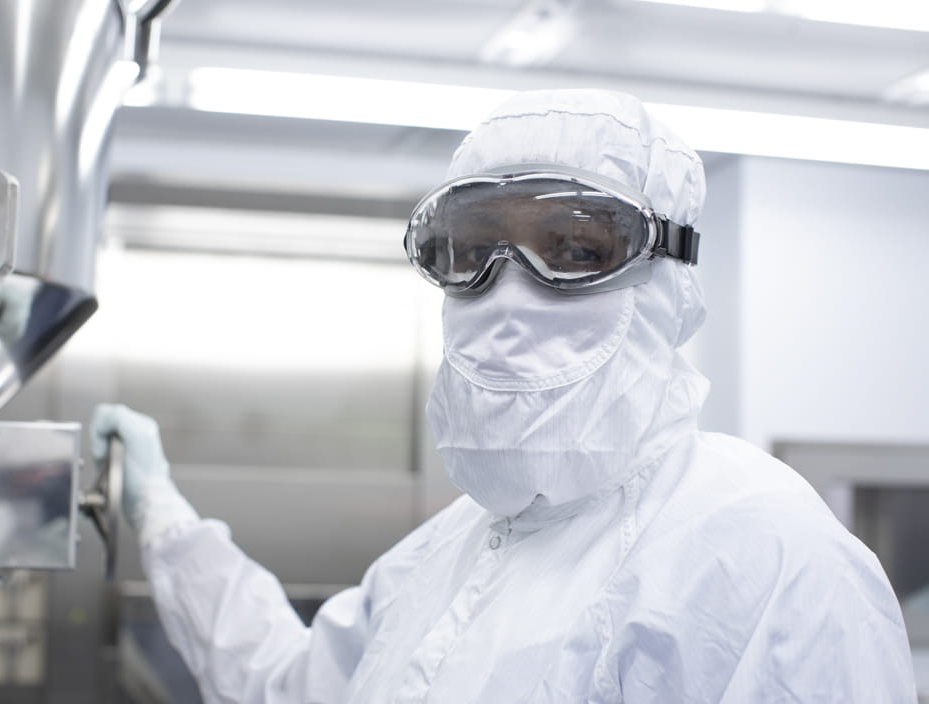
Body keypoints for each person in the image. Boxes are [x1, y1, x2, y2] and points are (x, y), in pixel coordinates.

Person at [91, 89, 916, 702]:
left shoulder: (762, 554)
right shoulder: (443, 556)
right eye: (472, 250)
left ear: (669, 282)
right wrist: (164, 517)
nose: (509, 295)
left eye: (575, 248)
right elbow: (284, 684)